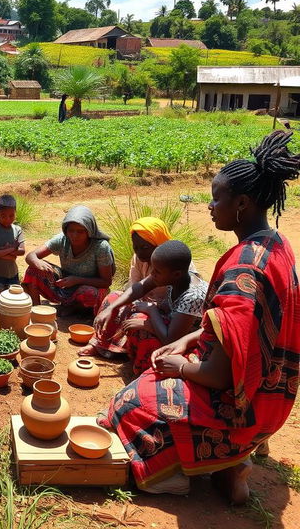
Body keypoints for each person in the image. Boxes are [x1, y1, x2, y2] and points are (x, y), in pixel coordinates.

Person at [99, 131, 300, 503]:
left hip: (244, 406)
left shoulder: (244, 269)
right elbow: (241, 333)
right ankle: (230, 465)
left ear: (241, 203)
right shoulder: (276, 246)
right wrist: (188, 340)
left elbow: (220, 374)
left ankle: (194, 470)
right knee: (153, 370)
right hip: (275, 394)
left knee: (127, 403)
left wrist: (179, 365)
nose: (210, 205)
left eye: (216, 198)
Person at [93, 240, 207, 375]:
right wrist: (110, 308)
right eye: (152, 269)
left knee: (140, 324)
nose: (152, 274)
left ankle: (144, 371)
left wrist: (151, 314)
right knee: (115, 298)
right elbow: (139, 288)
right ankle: (107, 347)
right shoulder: (175, 277)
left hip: (184, 340)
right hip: (169, 325)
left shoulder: (193, 297)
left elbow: (171, 340)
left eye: (156, 271)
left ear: (176, 274)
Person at [82, 216, 178, 358]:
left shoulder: (175, 264)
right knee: (114, 297)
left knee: (138, 317)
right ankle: (101, 344)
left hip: (167, 315)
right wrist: (112, 307)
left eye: (145, 247)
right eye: (136, 247)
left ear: (159, 244)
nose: (139, 252)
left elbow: (174, 307)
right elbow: (135, 288)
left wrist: (147, 307)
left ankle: (134, 357)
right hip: (142, 302)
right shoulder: (139, 258)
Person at [22, 205, 114, 316]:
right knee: (33, 269)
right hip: (65, 285)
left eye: (80, 231)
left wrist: (77, 280)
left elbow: (106, 281)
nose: (74, 236)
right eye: (71, 231)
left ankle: (74, 308)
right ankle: (36, 310)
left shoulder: (100, 247)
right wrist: (38, 262)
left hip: (88, 286)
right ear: (66, 230)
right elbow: (30, 256)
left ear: (89, 231)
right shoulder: (63, 239)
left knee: (91, 293)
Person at [0, 194, 25, 308]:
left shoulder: (17, 230)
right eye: (3, 216)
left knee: (13, 302)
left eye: (11, 215)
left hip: (12, 273)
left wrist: (1, 250)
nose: (8, 219)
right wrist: (12, 249)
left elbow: (22, 251)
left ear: (15, 213)